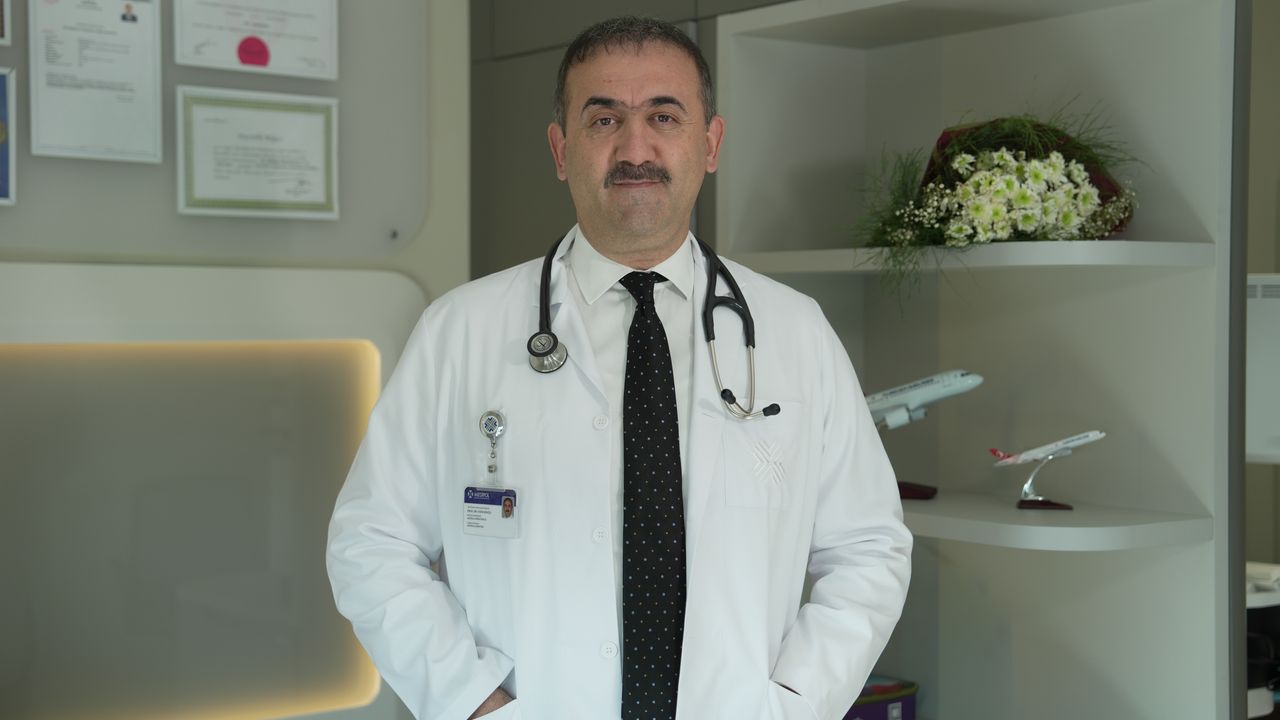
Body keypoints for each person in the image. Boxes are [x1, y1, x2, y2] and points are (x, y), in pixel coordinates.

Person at [326, 15, 911, 720]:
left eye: (664, 116)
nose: (636, 149)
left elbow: (868, 548)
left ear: (710, 143)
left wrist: (794, 702)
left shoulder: (795, 331)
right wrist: (472, 703)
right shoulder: (460, 331)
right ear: (561, 149)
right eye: (604, 120)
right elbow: (372, 543)